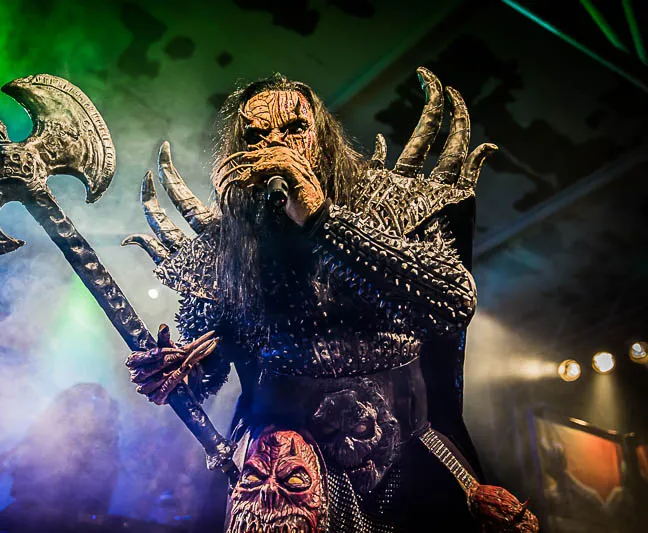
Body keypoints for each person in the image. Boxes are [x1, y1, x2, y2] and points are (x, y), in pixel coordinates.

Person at [123, 68, 537, 532]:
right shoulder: (227, 244)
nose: (274, 145)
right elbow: (212, 366)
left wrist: (322, 219)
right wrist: (179, 372)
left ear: (322, 138)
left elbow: (451, 302)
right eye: (256, 136)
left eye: (294, 129)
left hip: (407, 453)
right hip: (283, 464)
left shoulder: (389, 202)